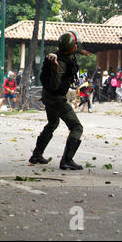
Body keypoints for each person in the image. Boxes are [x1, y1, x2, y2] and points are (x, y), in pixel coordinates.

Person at [28, 30, 92, 170]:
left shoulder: (61, 54)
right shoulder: (60, 63)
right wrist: (56, 70)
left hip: (48, 96)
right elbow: (55, 85)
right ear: (72, 48)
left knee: (52, 123)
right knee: (76, 127)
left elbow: (69, 50)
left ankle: (37, 155)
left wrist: (81, 51)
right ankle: (67, 160)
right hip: (56, 99)